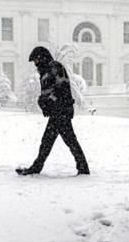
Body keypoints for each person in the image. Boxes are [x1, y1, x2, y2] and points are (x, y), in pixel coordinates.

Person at [16, 46, 90, 176]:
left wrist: (49, 101)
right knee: (54, 141)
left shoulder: (55, 67)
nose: (36, 64)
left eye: (36, 60)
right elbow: (48, 91)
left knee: (61, 141)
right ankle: (82, 168)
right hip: (57, 112)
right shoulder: (45, 72)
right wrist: (42, 101)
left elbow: (61, 88)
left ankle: (82, 168)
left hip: (62, 111)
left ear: (42, 57)